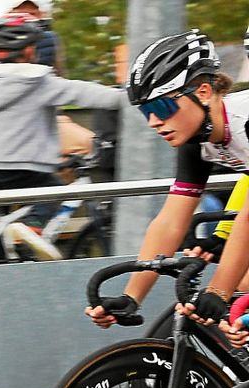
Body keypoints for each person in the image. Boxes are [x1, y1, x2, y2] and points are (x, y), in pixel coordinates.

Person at [86, 30, 249, 333]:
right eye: (147, 111)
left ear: (202, 92)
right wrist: (132, 296)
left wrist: (218, 292)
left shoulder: (245, 124)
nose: (154, 122)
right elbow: (170, 221)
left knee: (239, 283)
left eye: (162, 107)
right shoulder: (199, 140)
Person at [0, 13, 122, 240]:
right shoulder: (40, 81)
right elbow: (87, 94)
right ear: (29, 50)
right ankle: (30, 228)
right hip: (20, 168)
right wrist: (126, 96)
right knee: (53, 190)